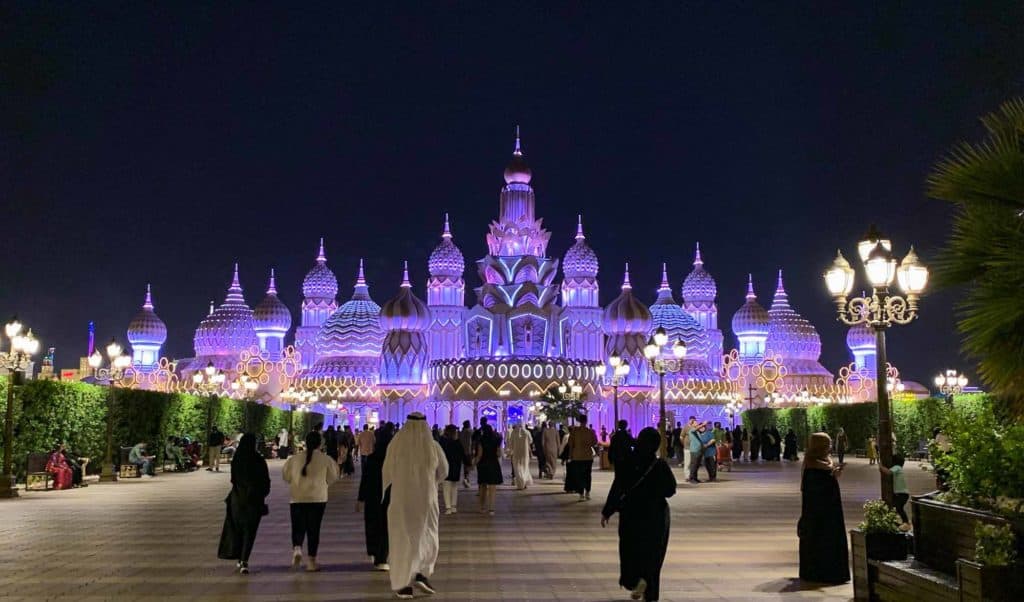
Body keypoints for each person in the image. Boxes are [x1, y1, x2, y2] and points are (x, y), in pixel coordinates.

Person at [601, 427, 676, 602]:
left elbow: (618, 487)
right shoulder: (659, 465)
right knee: (653, 553)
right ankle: (649, 590)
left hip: (631, 513)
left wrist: (607, 511)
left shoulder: (627, 463)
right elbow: (670, 490)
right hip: (656, 515)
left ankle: (634, 581)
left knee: (630, 550)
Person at [383, 413, 448, 599]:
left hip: (401, 500)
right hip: (426, 500)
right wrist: (430, 480)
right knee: (426, 535)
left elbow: (387, 469)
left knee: (402, 539)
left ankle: (403, 585)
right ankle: (420, 571)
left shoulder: (396, 445)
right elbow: (444, 471)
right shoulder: (433, 446)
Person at [282, 431, 339, 572]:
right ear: (320, 443)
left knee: (298, 526)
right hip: (318, 498)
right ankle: (312, 562)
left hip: (297, 498)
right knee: (314, 529)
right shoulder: (326, 459)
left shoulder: (294, 459)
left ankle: (297, 548)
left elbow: (286, 476)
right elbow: (333, 477)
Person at [798, 433, 849, 584]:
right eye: (828, 443)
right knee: (822, 539)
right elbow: (813, 490)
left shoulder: (826, 461)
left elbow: (830, 477)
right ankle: (823, 572)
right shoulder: (811, 465)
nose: (831, 446)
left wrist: (835, 473)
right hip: (819, 512)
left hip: (831, 508)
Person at [220, 433, 270, 574]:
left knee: (238, 529)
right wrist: (262, 494)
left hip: (237, 499)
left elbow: (233, 479)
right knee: (250, 531)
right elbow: (265, 481)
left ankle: (238, 557)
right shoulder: (258, 460)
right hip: (254, 501)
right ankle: (244, 560)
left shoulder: (237, 459)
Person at [359, 422, 395, 571]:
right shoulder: (393, 460)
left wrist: (360, 498)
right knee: (385, 526)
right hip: (388, 497)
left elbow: (365, 479)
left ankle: (374, 551)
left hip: (372, 497)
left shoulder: (372, 459)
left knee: (372, 523)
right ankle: (382, 557)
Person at [566, 415, 598, 501]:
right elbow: (595, 442)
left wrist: (570, 456)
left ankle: (581, 494)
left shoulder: (574, 432)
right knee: (587, 475)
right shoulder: (590, 431)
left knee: (579, 475)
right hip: (588, 456)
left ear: (579, 421)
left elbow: (570, 444)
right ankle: (587, 492)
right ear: (586, 421)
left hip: (577, 457)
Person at [475, 423, 503, 514]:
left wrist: (474, 463)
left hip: (483, 464)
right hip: (493, 463)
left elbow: (480, 454)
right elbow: (499, 454)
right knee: (492, 487)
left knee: (482, 487)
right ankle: (491, 508)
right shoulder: (496, 440)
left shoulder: (481, 440)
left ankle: (482, 507)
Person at [880, 454, 912, 530]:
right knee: (895, 507)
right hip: (901, 493)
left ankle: (906, 522)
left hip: (901, 494)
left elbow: (888, 472)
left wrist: (881, 467)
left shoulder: (897, 467)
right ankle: (897, 522)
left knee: (898, 508)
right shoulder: (899, 468)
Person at [439, 425, 465, 514]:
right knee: (454, 486)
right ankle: (454, 506)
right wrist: (468, 464)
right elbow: (462, 454)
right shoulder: (457, 442)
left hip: (446, 466)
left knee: (446, 487)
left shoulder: (443, 442)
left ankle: (448, 507)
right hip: (456, 466)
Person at [508, 423, 533, 490]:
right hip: (525, 453)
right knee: (525, 467)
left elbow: (511, 442)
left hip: (516, 453)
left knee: (517, 468)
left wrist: (510, 451)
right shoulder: (527, 432)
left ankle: (520, 483)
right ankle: (524, 481)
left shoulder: (514, 432)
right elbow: (530, 441)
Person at [458, 420, 474, 487]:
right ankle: (466, 479)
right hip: (469, 451)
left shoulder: (462, 432)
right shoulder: (470, 431)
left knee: (465, 465)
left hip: (462, 451)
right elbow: (472, 442)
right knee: (468, 465)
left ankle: (466, 478)